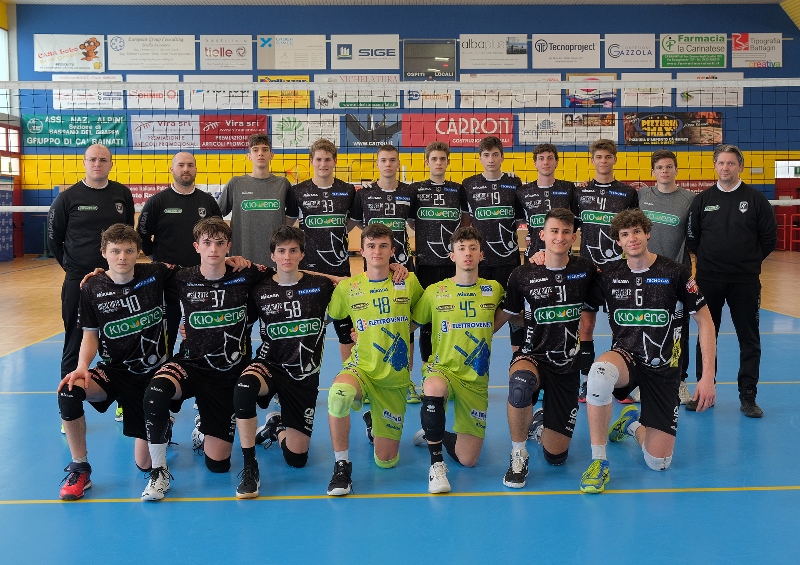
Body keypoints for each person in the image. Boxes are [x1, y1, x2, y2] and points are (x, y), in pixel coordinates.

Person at [579, 209, 716, 494]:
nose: (632, 239)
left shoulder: (675, 272)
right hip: (626, 358)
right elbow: (575, 291)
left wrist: (707, 377)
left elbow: (705, 321)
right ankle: (598, 461)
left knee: (658, 462)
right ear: (618, 241)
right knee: (599, 375)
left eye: (637, 232)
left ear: (648, 233)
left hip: (664, 368)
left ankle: (632, 425)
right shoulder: (609, 275)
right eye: (625, 234)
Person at [140, 217, 270, 501]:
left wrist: (338, 279)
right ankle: (159, 472)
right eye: (207, 243)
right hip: (190, 365)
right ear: (196, 246)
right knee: (156, 391)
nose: (213, 249)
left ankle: (203, 426)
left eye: (220, 243)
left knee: (218, 464)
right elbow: (131, 270)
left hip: (227, 374)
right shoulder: (181, 277)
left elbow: (289, 271)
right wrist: (98, 273)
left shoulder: (246, 274)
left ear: (229, 246)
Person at [56, 224, 173, 500]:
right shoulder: (92, 286)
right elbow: (90, 335)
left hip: (151, 375)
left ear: (138, 252)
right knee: (69, 391)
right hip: (113, 372)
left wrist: (232, 260)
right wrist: (82, 367)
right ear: (104, 253)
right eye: (116, 251)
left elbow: (201, 273)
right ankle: (80, 468)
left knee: (144, 464)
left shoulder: (155, 274)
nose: (122, 257)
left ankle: (162, 421)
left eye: (129, 251)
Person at [494, 208, 601, 489]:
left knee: (556, 457)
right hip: (532, 355)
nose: (559, 237)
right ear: (541, 235)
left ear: (574, 237)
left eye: (566, 232)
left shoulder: (585, 270)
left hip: (567, 365)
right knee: (520, 384)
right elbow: (507, 314)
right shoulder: (523, 274)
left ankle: (539, 425)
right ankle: (518, 454)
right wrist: (476, 332)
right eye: (554, 231)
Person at [233, 226, 335, 498]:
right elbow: (239, 323)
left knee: (296, 458)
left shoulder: (320, 286)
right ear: (272, 256)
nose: (287, 256)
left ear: (302, 254)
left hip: (303, 375)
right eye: (281, 251)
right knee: (244, 387)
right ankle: (250, 466)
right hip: (270, 365)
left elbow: (358, 286)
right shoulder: (260, 289)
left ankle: (276, 427)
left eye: (293, 250)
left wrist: (396, 267)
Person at [325, 223, 423, 496]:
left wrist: (396, 329)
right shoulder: (349, 287)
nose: (377, 251)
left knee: (386, 461)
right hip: (362, 367)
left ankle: (373, 423)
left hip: (393, 378)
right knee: (339, 395)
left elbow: (422, 316)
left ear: (393, 250)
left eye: (383, 246)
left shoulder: (409, 282)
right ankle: (341, 465)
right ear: (362, 251)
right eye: (371, 246)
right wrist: (357, 335)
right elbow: (336, 318)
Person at [410, 226, 504, 493]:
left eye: (473, 248)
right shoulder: (435, 292)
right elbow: (409, 325)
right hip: (442, 368)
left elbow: (510, 316)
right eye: (461, 249)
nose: (467, 253)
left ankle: (433, 433)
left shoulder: (494, 289)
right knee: (433, 387)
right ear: (452, 256)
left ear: (482, 255)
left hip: (475, 379)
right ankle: (436, 465)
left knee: (468, 459)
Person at [686, 144, 777, 418]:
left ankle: (748, 396)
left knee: (749, 338)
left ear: (740, 167)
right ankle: (704, 391)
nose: (725, 168)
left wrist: (747, 262)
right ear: (715, 166)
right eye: (721, 163)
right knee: (706, 335)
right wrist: (710, 261)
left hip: (745, 282)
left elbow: (769, 239)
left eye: (731, 163)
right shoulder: (702, 200)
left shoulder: (756, 200)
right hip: (709, 280)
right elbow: (693, 237)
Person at [48, 144, 135, 383]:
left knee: (123, 338)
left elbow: (127, 234)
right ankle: (70, 399)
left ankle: (125, 396)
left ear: (111, 164)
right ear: (84, 163)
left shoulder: (122, 194)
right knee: (75, 341)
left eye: (103, 160)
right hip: (79, 280)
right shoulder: (67, 198)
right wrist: (73, 268)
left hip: (116, 279)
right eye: (93, 159)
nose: (98, 164)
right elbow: (54, 239)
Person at [350, 143, 420, 402]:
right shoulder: (364, 193)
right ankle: (369, 378)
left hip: (402, 267)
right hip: (374, 267)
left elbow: (414, 223)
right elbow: (357, 223)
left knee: (404, 321)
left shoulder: (409, 192)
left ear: (398, 163)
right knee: (372, 321)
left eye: (392, 160)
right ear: (377, 163)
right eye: (383, 160)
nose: (388, 164)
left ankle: (406, 380)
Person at [136, 152, 222, 355]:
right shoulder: (157, 202)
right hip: (167, 282)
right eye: (181, 165)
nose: (186, 169)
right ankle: (164, 369)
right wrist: (156, 261)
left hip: (201, 281)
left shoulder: (207, 202)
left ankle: (196, 368)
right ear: (172, 169)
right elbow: (142, 236)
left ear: (196, 169)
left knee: (201, 335)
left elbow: (220, 235)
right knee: (165, 336)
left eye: (190, 165)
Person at [573, 139, 638, 402]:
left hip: (617, 271)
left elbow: (634, 231)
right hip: (588, 271)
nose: (603, 161)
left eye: (608, 156)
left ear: (614, 159)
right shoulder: (580, 193)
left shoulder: (627, 193)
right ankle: (586, 381)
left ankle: (619, 383)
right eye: (598, 157)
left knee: (620, 327)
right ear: (592, 160)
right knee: (586, 326)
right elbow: (569, 227)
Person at [291, 138, 359, 362]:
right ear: (311, 161)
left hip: (340, 270)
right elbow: (288, 223)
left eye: (327, 159)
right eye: (319, 159)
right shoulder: (297, 191)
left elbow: (350, 223)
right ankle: (302, 374)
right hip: (308, 270)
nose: (323, 164)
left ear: (335, 161)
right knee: (307, 329)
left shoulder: (347, 190)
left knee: (345, 329)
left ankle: (350, 375)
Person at [637, 150, 695, 405]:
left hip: (676, 276)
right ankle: (644, 383)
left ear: (676, 170)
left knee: (679, 332)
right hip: (645, 274)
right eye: (660, 167)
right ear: (653, 171)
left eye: (669, 166)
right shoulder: (642, 195)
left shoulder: (690, 199)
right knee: (645, 329)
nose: (664, 171)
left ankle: (680, 382)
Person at [408, 141, 469, 364]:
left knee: (452, 316)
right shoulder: (415, 190)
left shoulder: (458, 190)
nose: (438, 163)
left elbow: (465, 221)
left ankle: (452, 364)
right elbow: (411, 221)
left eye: (442, 159)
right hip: (426, 264)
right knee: (427, 318)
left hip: (452, 265)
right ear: (427, 162)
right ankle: (428, 367)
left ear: (448, 162)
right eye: (434, 159)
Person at [462, 136, 525, 349]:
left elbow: (520, 220)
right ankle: (474, 352)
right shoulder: (469, 185)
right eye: (486, 155)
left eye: (495, 154)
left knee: (516, 314)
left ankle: (519, 357)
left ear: (502, 157)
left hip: (509, 261)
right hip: (481, 262)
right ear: (480, 158)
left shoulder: (514, 183)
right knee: (479, 313)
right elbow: (465, 223)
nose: (491, 159)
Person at [217, 133, 299, 268]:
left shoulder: (282, 184)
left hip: (275, 259)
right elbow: (217, 214)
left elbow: (292, 214)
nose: (260, 153)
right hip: (241, 259)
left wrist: (278, 230)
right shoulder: (236, 183)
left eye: (265, 149)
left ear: (271, 155)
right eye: (255, 150)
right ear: (249, 156)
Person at [517, 144, 577, 259]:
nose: (545, 162)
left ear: (556, 162)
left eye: (550, 158)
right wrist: (529, 235)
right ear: (535, 163)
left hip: (562, 254)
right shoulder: (523, 191)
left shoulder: (568, 188)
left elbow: (576, 219)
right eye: (541, 158)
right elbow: (518, 219)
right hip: (533, 255)